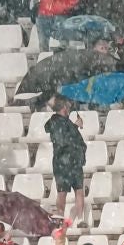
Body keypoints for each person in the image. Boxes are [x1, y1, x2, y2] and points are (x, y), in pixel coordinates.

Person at [47, 96, 88, 224]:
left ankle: (80, 219)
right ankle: (60, 216)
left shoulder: (67, 122)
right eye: (68, 106)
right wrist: (75, 127)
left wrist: (75, 126)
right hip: (62, 163)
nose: (69, 107)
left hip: (74, 162)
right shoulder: (55, 122)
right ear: (64, 107)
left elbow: (73, 140)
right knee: (62, 192)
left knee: (79, 191)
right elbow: (62, 141)